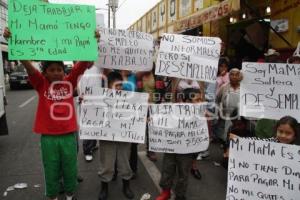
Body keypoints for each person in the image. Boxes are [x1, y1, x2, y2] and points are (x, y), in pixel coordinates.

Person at [4, 27, 97, 200]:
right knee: (51, 169)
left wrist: (93, 41)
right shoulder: (41, 84)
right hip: (48, 138)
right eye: (51, 70)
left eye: (59, 69)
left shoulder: (69, 82)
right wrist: (12, 41)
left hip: (69, 135)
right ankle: (53, 196)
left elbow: (81, 64)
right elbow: (29, 67)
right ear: (45, 73)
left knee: (70, 167)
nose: (56, 73)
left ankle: (70, 195)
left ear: (64, 71)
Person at [155, 88, 205, 200]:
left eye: (200, 99)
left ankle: (180, 195)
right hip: (171, 147)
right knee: (167, 169)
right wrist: (153, 121)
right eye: (197, 100)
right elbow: (161, 122)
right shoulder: (173, 110)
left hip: (187, 150)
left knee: (183, 173)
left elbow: (203, 135)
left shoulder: (201, 114)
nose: (200, 102)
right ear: (186, 101)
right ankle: (166, 192)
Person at [98, 71, 134, 200]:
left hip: (124, 135)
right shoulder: (101, 98)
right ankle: (104, 187)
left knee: (124, 161)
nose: (118, 88)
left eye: (120, 85)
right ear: (107, 86)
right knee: (106, 163)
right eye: (115, 85)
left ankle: (126, 185)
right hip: (106, 136)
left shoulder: (129, 98)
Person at [215, 68, 242, 143]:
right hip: (226, 116)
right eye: (232, 75)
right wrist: (219, 111)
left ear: (239, 77)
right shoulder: (224, 87)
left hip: (240, 117)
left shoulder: (243, 88)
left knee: (238, 136)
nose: (234, 77)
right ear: (229, 76)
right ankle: (226, 150)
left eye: (236, 75)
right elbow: (217, 101)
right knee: (227, 135)